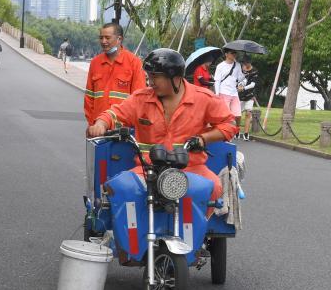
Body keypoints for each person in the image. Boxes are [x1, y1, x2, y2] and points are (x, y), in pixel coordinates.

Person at [87, 48, 237, 202]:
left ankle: (198, 219)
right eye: (149, 76)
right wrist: (101, 123)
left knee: (213, 187)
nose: (150, 82)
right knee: (119, 188)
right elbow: (114, 114)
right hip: (147, 169)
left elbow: (229, 124)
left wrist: (203, 139)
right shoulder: (140, 99)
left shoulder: (203, 98)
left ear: (175, 77)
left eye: (155, 77)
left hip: (190, 169)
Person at [83, 22, 146, 125]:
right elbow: (89, 98)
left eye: (107, 38)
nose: (103, 41)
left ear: (119, 39)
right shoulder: (95, 63)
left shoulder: (134, 62)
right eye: (101, 38)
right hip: (98, 126)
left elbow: (139, 99)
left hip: (123, 128)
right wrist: (93, 124)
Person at [213, 48, 245, 128]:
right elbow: (217, 81)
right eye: (232, 52)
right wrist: (217, 94)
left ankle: (236, 130)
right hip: (223, 92)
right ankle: (225, 131)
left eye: (235, 52)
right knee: (226, 115)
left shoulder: (237, 65)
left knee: (238, 115)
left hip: (234, 93)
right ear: (226, 54)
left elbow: (240, 78)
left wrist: (244, 72)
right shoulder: (220, 66)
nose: (234, 54)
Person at [238, 58, 258, 141]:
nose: (245, 65)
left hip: (250, 95)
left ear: (250, 62)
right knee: (238, 114)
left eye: (246, 63)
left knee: (248, 114)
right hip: (240, 96)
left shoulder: (254, 71)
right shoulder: (241, 70)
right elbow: (239, 80)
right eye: (244, 63)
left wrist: (243, 88)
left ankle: (246, 133)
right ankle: (236, 131)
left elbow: (253, 84)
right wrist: (240, 85)